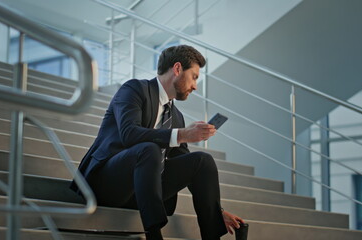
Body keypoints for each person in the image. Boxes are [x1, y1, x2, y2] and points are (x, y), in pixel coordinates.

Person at [70, 45, 244, 240]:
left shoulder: (176, 116)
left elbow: (187, 165)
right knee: (149, 149)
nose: (195, 86)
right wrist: (181, 135)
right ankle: (154, 236)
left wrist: (217, 209)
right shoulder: (134, 89)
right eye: (194, 77)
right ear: (177, 69)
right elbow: (129, 134)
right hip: (107, 184)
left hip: (143, 192)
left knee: (202, 161)